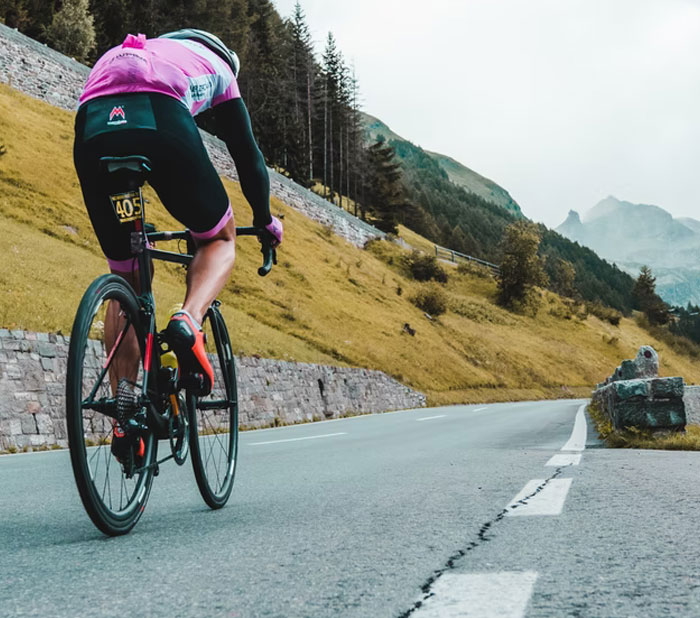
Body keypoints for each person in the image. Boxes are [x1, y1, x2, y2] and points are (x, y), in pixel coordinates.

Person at [73, 29, 283, 399]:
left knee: (127, 276)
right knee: (218, 237)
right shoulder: (220, 67)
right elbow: (248, 157)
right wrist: (264, 219)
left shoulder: (147, 49)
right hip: (159, 113)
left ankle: (124, 412)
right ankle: (188, 319)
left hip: (92, 124)